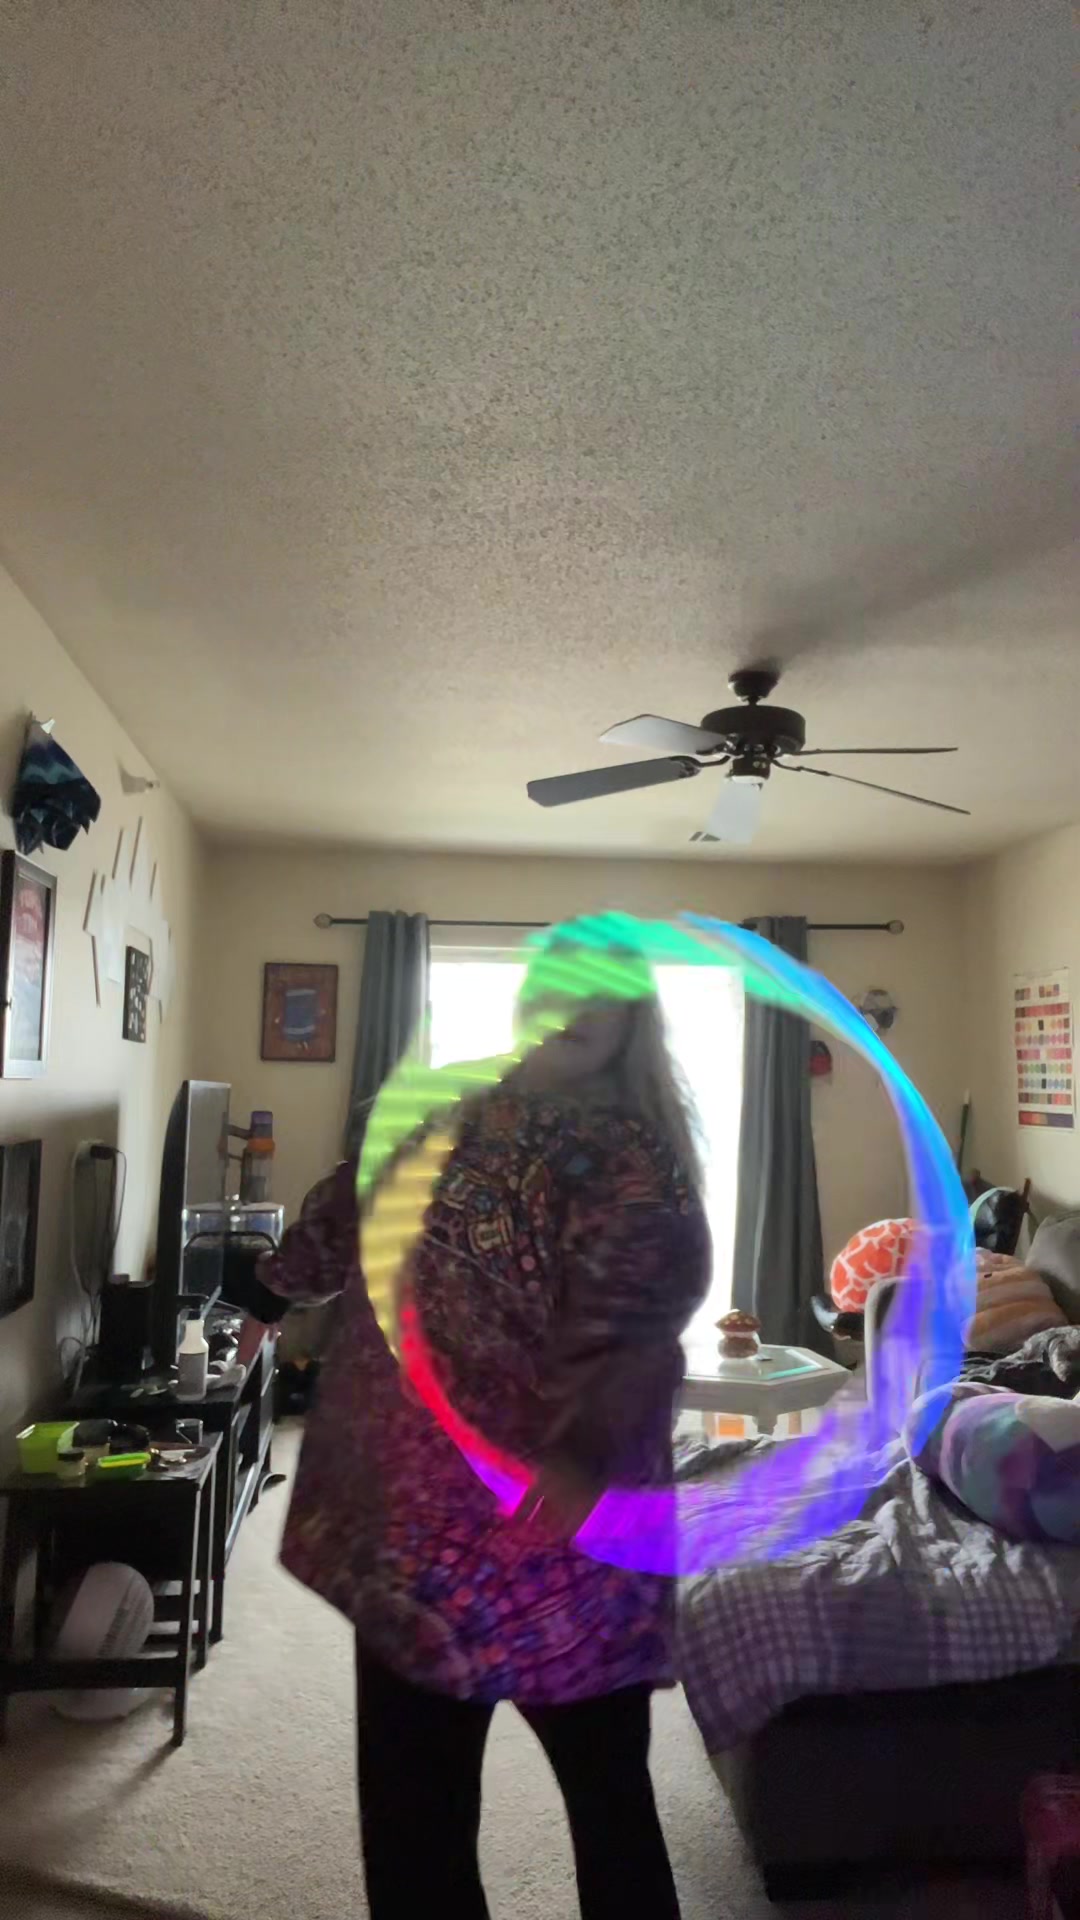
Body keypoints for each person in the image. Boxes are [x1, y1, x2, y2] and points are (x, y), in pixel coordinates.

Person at [254, 939, 711, 1920]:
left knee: (610, 1805)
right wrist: (266, 1288)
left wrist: (584, 1451)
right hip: (422, 1533)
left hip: (568, 1535)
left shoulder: (638, 1158)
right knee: (414, 1826)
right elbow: (351, 1205)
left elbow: (648, 1314)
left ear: (632, 1020)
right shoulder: (442, 1108)